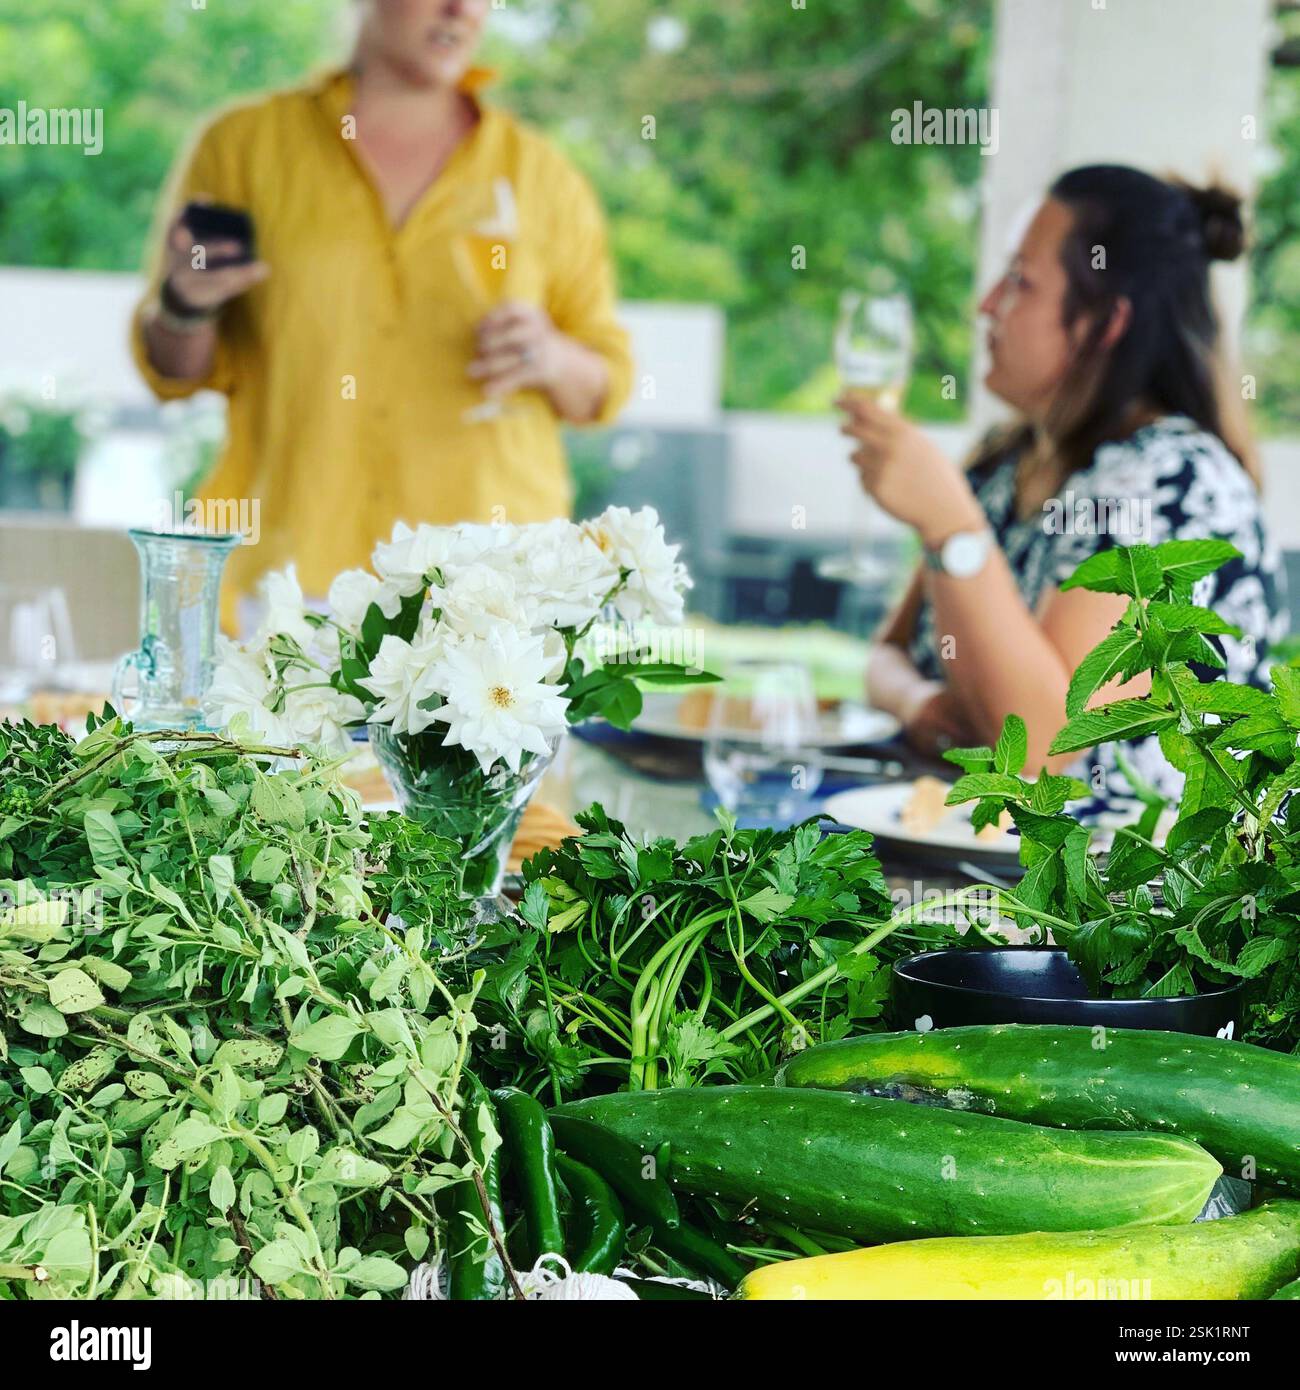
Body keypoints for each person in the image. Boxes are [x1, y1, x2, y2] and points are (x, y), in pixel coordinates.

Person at [131, 0, 633, 621]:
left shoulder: (541, 175)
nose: (462, 10)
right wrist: (184, 305)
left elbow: (603, 385)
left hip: (493, 596)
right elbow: (173, 372)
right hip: (297, 583)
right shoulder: (243, 147)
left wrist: (551, 356)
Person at [841, 165, 1287, 795]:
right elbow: (885, 656)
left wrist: (949, 526)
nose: (986, 304)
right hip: (957, 858)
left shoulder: (1168, 483)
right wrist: (920, 706)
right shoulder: (1003, 465)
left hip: (1108, 887)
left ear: (1105, 322)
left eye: (1020, 281)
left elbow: (1047, 751)